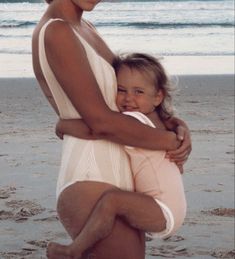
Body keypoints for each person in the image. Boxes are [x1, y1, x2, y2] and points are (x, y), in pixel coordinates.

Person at [32, 0, 191, 258]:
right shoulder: (57, 31)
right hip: (90, 174)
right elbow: (102, 122)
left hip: (120, 176)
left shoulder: (84, 27)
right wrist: (170, 140)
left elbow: (130, 94)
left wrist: (176, 125)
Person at [49, 53, 187, 258]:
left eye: (138, 92)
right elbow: (170, 121)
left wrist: (63, 126)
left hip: (163, 209)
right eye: (121, 90)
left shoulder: (136, 119)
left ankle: (75, 250)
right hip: (168, 207)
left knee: (112, 201)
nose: (128, 98)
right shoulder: (158, 121)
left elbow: (97, 130)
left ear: (157, 97)